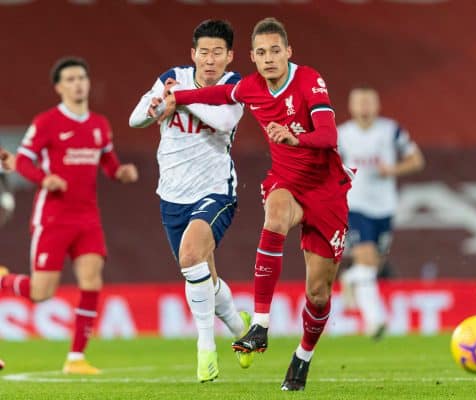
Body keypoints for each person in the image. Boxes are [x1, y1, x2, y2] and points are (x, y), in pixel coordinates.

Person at [156, 17, 353, 391]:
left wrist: (297, 140)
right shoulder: (250, 87)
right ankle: (260, 324)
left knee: (318, 292)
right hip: (286, 183)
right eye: (261, 53)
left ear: (288, 52)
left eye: (275, 51)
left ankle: (303, 356)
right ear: (251, 57)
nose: (268, 59)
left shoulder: (309, 80)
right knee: (275, 214)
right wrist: (177, 97)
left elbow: (328, 135)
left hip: (326, 191)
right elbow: (215, 96)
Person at [128, 19, 253, 382]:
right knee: (202, 276)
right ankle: (240, 329)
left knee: (191, 257)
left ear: (229, 56)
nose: (209, 60)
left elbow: (223, 121)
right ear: (193, 53)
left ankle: (205, 348)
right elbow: (136, 118)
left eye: (218, 53)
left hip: (216, 190)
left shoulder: (235, 86)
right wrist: (157, 105)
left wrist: (179, 100)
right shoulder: (173, 76)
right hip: (172, 194)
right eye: (204, 52)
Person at [0, 57, 138, 375]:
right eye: (71, 79)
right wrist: (43, 179)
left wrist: (122, 172)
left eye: (82, 78)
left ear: (88, 83)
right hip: (53, 217)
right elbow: (23, 162)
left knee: (92, 281)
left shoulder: (99, 125)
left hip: (88, 218)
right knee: (41, 293)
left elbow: (109, 164)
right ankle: (4, 280)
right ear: (59, 87)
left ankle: (76, 358)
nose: (78, 83)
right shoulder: (47, 122)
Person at [337, 87, 425, 339]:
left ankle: (351, 277)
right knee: (365, 259)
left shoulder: (391, 131)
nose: (364, 107)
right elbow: (326, 167)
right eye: (359, 103)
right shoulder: (342, 135)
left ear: (377, 106)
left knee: (373, 264)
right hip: (356, 206)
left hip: (385, 207)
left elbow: (417, 160)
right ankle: (375, 321)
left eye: (368, 102)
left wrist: (393, 170)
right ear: (352, 107)